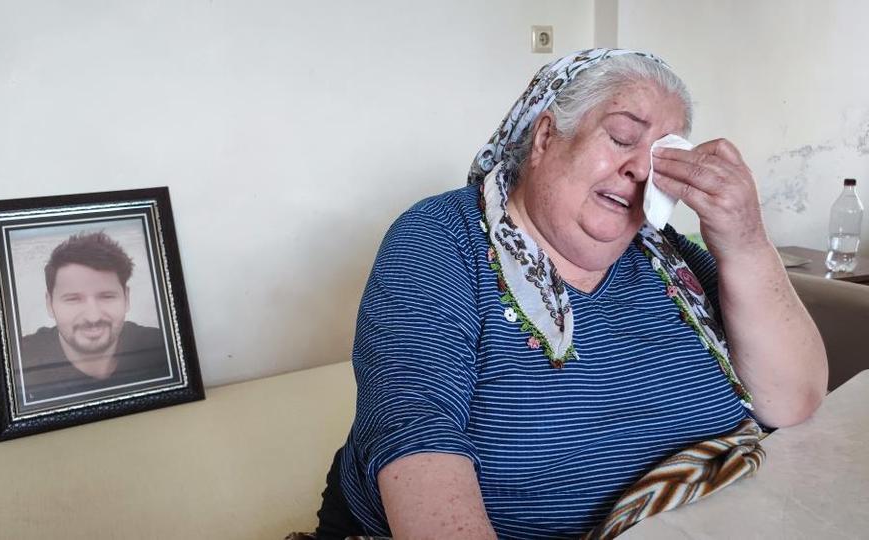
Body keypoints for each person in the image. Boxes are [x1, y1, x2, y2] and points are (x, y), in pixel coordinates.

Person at [314, 49, 828, 539]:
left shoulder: (669, 256)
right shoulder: (443, 237)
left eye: (662, 156)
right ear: (544, 137)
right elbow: (416, 428)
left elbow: (792, 402)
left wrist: (744, 239)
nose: (642, 169)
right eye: (622, 137)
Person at [19, 231, 171, 404]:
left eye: (107, 296)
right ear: (49, 304)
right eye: (73, 299)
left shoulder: (165, 349)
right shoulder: (19, 363)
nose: (93, 317)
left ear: (127, 298)